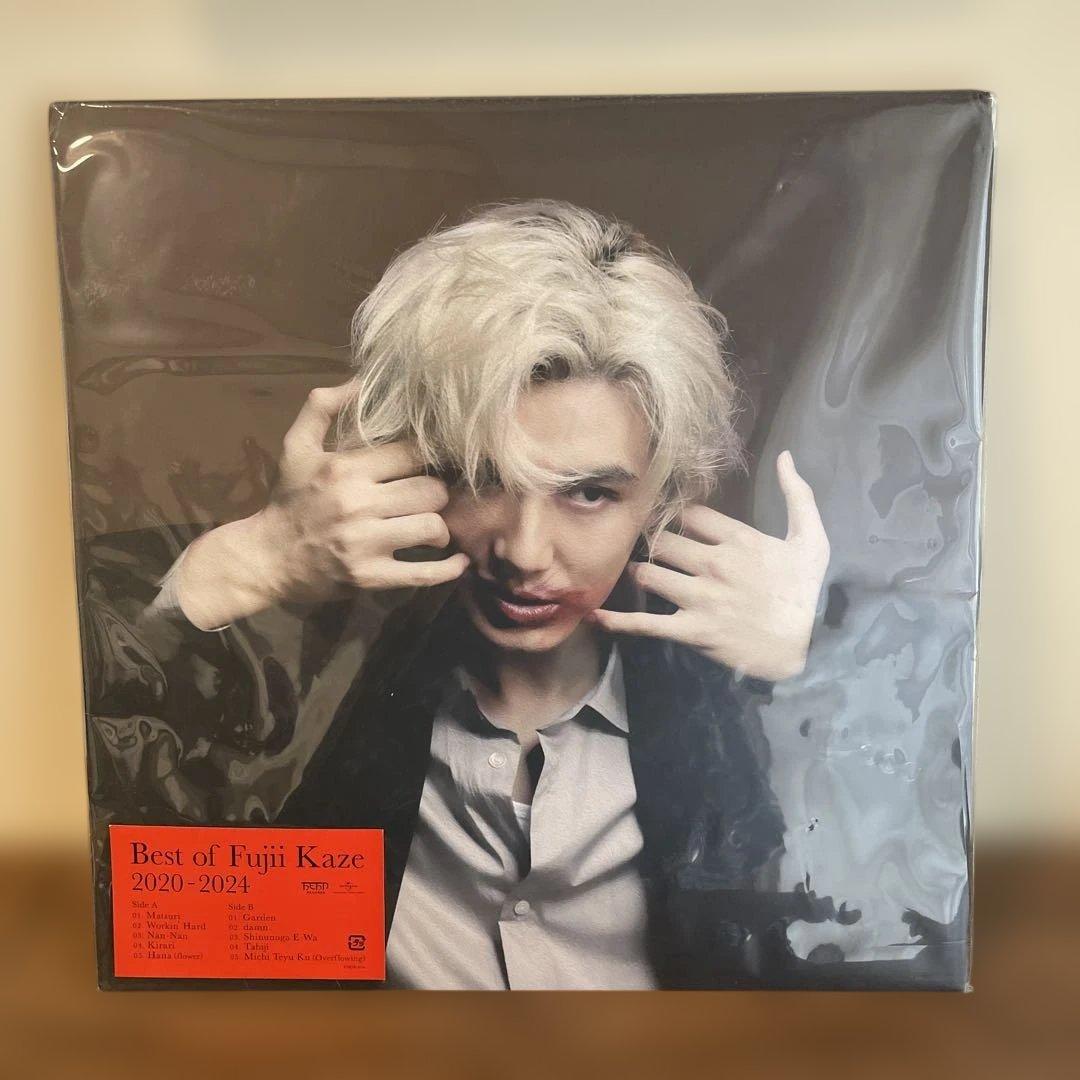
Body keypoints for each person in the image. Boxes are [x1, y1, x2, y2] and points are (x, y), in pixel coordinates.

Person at [152, 199, 830, 988]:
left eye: (589, 494)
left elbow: (862, 951)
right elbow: (151, 916)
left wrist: (813, 684)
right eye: (481, 478)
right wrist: (248, 560)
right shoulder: (315, 692)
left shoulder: (740, 713)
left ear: (666, 495)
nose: (524, 553)